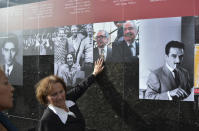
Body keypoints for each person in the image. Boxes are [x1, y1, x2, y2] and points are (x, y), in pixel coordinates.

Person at [36, 58, 104, 131]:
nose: (60, 97)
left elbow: (80, 87)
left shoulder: (68, 98)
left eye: (61, 91)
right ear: (46, 98)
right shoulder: (47, 121)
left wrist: (94, 73)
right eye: (54, 94)